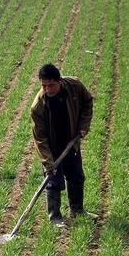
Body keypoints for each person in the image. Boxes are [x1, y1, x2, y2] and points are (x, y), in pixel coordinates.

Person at [30, 64, 93, 225]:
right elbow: (40, 138)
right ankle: (55, 217)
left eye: (51, 85)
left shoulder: (74, 86)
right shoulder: (38, 106)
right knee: (53, 182)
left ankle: (77, 210)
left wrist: (83, 127)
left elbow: (87, 102)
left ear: (60, 81)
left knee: (76, 177)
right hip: (51, 146)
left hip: (71, 142)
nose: (47, 89)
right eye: (43, 86)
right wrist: (48, 162)